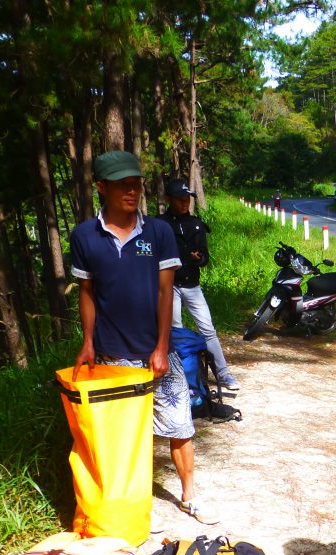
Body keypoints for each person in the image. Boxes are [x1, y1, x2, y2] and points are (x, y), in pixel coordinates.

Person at [70, 151, 215, 525]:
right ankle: (127, 503)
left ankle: (188, 496)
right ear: (101, 187)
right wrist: (88, 343)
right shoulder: (85, 236)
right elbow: (87, 292)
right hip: (110, 356)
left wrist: (162, 347)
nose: (132, 191)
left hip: (155, 353)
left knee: (180, 423)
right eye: (123, 185)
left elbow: (167, 293)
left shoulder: (158, 232)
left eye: (136, 184)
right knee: (121, 435)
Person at [160, 178, 240, 391]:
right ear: (169, 199)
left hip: (192, 285)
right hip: (170, 287)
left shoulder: (196, 224)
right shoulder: (160, 225)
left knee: (208, 329)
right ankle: (181, 378)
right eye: (180, 199)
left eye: (187, 198)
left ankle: (223, 374)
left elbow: (205, 257)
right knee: (175, 330)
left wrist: (199, 258)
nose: (185, 202)